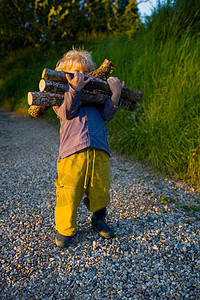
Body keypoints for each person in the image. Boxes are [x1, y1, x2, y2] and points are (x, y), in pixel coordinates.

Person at [53, 48, 124, 248]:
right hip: (71, 155)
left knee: (100, 188)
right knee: (69, 191)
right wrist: (75, 90)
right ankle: (65, 227)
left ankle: (99, 219)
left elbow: (107, 114)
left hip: (99, 150)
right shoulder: (60, 96)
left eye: (85, 73)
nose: (81, 77)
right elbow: (67, 112)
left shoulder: (96, 97)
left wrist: (115, 95)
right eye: (75, 74)